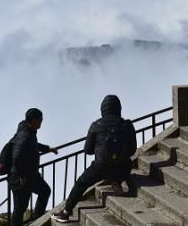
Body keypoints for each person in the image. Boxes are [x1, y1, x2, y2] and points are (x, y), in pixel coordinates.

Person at [52, 95, 136, 223]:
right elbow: (132, 150)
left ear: (103, 109)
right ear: (119, 108)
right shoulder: (127, 124)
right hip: (123, 167)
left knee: (81, 183)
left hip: (101, 167)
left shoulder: (96, 125)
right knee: (124, 164)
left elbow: (88, 151)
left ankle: (66, 212)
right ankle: (116, 180)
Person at [9, 108, 57, 226]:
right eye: (40, 120)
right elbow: (17, 156)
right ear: (34, 120)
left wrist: (48, 148)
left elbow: (34, 146)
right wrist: (21, 176)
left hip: (29, 176)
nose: (41, 122)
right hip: (21, 177)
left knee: (44, 191)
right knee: (20, 208)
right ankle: (36, 220)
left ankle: (37, 220)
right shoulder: (26, 135)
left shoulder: (27, 131)